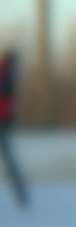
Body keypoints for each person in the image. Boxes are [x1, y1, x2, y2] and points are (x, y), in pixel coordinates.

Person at [0, 50, 29, 208]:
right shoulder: (6, 75)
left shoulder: (6, 74)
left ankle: (22, 196)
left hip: (4, 122)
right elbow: (6, 101)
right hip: (2, 123)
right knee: (10, 162)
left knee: (10, 162)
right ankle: (22, 196)